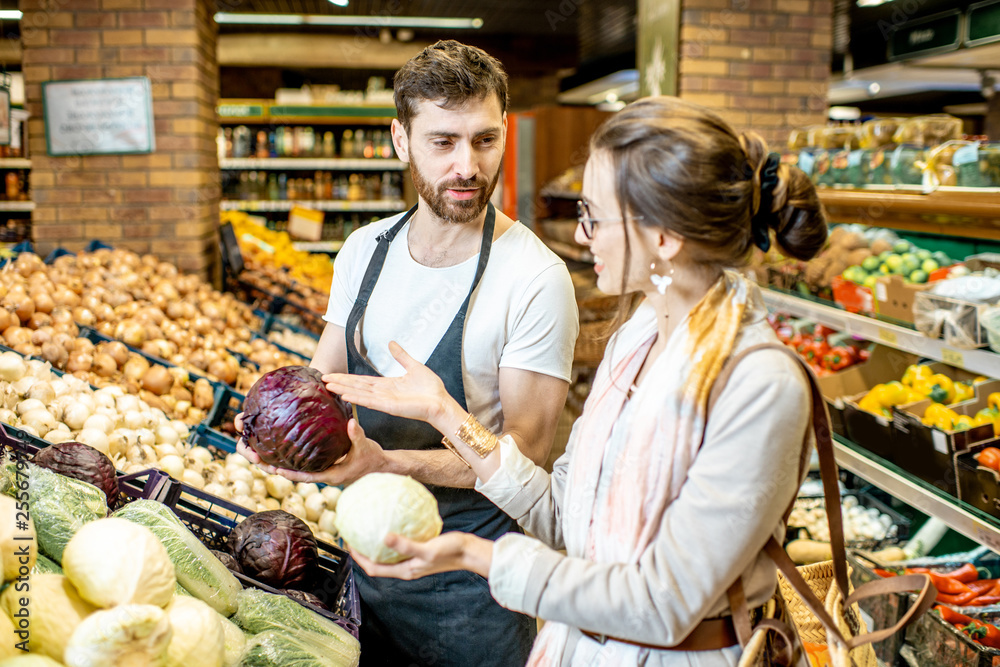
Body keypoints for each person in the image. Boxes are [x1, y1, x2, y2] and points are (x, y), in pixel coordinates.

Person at [324, 96, 829, 667]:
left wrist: (478, 555)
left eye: (593, 215)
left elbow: (663, 603)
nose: (582, 236)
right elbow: (563, 515)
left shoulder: (758, 385)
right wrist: (446, 414)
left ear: (661, 235)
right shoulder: (635, 343)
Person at [238, 40, 579, 667]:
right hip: (364, 561)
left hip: (473, 590)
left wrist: (385, 463)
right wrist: (275, 421)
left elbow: (523, 456)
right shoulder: (363, 251)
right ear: (401, 139)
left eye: (484, 140)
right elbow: (326, 377)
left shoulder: (534, 278)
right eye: (442, 142)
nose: (466, 166)